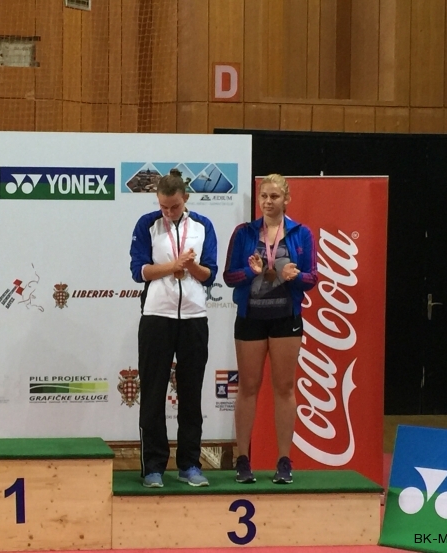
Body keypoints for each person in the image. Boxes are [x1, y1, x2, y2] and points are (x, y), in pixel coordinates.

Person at [223, 173, 317, 484]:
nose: (268, 202)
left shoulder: (301, 233)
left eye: (274, 196)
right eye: (264, 196)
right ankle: (242, 458)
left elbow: (312, 278)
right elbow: (229, 276)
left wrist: (295, 277)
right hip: (250, 317)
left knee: (284, 388)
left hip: (285, 318)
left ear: (286, 199)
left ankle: (284, 460)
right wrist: (250, 273)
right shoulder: (244, 232)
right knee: (248, 388)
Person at [130, 168, 218, 488]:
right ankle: (153, 466)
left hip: (194, 317)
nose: (168, 212)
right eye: (163, 206)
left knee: (191, 394)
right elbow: (139, 271)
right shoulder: (147, 224)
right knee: (153, 393)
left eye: (175, 206)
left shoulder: (203, 226)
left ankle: (190, 464)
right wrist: (173, 266)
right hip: (156, 316)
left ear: (186, 198)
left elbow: (209, 274)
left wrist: (191, 265)